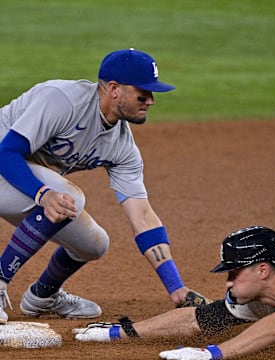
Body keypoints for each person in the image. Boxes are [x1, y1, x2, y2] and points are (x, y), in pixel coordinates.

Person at [0, 48, 210, 324]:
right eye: (142, 93)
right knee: (68, 197)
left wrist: (176, 287)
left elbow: (143, 217)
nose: (151, 100)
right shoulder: (63, 100)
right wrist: (44, 194)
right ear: (114, 89)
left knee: (93, 244)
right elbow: (6, 153)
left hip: (18, 186)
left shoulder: (123, 147)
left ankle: (43, 296)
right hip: (5, 164)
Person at [73, 225, 275, 359]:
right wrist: (122, 332)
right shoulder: (259, 299)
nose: (228, 282)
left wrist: (215, 353)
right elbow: (197, 319)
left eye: (234, 272)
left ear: (262, 270)